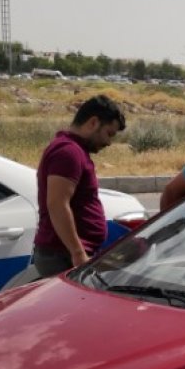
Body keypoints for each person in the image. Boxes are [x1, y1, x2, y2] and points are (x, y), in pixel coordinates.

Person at [31, 94, 126, 278]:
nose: (108, 142)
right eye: (109, 133)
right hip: (63, 256)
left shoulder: (74, 150)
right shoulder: (68, 152)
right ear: (93, 123)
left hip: (67, 255)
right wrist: (78, 253)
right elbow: (57, 204)